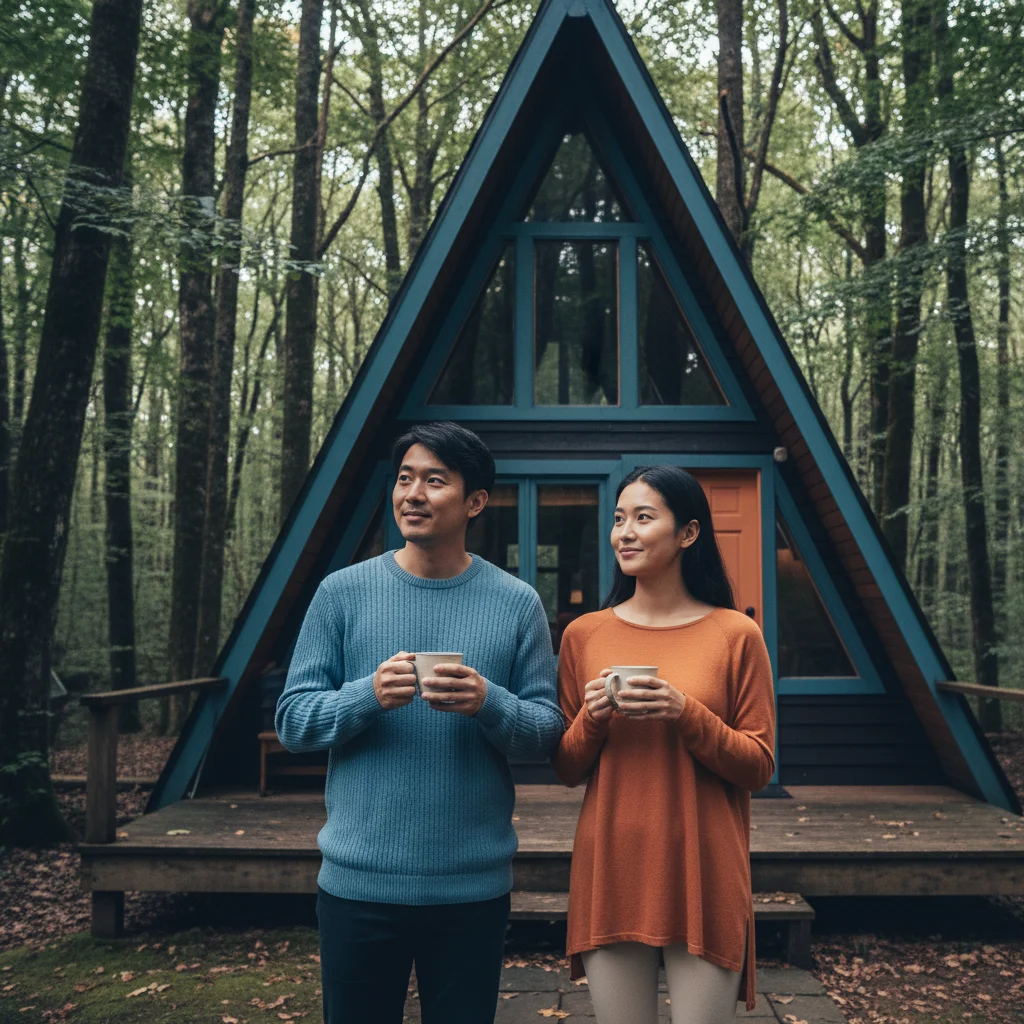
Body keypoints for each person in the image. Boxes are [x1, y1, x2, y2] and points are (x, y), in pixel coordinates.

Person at [275, 421, 564, 1024]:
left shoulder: (516, 603)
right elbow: (294, 721)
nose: (413, 494)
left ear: (475, 502)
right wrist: (366, 696)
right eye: (405, 479)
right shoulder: (342, 593)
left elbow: (546, 733)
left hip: (472, 889)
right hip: (358, 884)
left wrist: (489, 701)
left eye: (435, 481)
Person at [553, 465, 776, 1023]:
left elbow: (759, 766)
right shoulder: (584, 635)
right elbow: (565, 765)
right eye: (619, 519)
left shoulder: (736, 635)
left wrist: (685, 713)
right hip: (612, 867)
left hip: (706, 868)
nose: (624, 532)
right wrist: (594, 718)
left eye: (643, 518)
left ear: (688, 534)